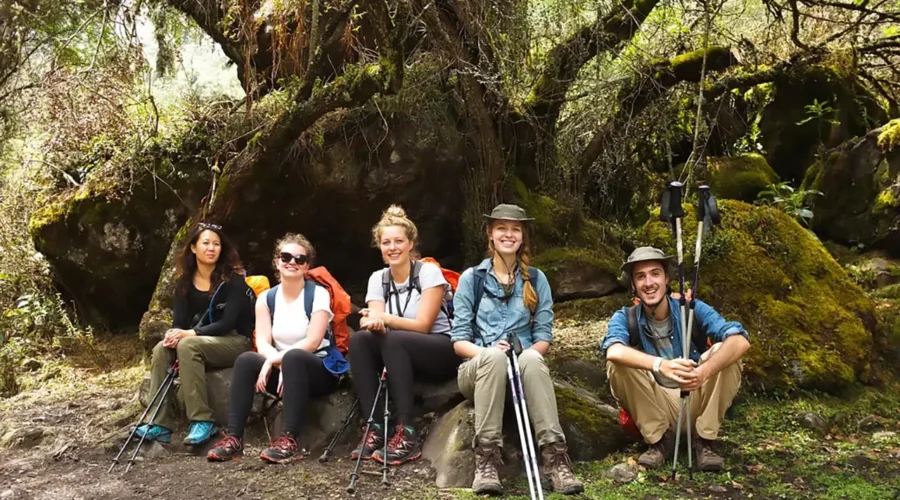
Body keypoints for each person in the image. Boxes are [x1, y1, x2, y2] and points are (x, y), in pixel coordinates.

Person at [451, 204, 584, 496]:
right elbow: (459, 342)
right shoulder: (471, 279)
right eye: (502, 228)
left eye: (515, 229)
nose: (508, 235)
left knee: (533, 357)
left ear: (523, 236)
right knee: (496, 357)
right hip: (478, 370)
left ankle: (556, 458)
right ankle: (486, 461)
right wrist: (488, 353)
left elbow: (544, 338)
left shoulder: (536, 279)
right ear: (490, 234)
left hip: (522, 368)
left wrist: (523, 354)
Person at [601, 246, 750, 472]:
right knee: (618, 362)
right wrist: (661, 365)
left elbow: (740, 340)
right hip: (659, 405)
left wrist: (703, 372)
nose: (649, 282)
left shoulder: (692, 309)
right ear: (633, 285)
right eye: (640, 277)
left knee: (724, 349)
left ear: (667, 278)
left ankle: (704, 440)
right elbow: (613, 350)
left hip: (696, 395)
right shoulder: (626, 317)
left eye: (655, 273)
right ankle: (660, 441)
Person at [207, 233, 342, 463]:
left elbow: (313, 340)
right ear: (277, 262)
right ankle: (234, 438)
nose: (292, 262)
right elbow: (262, 342)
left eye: (300, 259)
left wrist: (279, 360)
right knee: (246, 360)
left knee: (295, 358)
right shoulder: (266, 299)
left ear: (307, 266)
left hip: (317, 369)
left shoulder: (317, 294)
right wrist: (273, 360)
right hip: (283, 369)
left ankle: (288, 440)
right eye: (286, 256)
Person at [348, 205, 461, 465]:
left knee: (394, 338)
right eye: (386, 242)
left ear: (411, 243)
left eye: (399, 241)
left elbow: (423, 325)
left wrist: (384, 319)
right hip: (398, 351)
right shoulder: (378, 278)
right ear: (379, 247)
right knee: (360, 340)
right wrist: (374, 323)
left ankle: (406, 431)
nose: (393, 247)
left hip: (440, 349)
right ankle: (375, 427)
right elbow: (378, 322)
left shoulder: (428, 272)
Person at [137, 222, 254, 446]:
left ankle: (202, 420)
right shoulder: (183, 283)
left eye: (217, 244)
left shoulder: (233, 280)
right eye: (206, 243)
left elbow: (228, 322)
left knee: (188, 345)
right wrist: (173, 334)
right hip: (202, 339)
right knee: (161, 349)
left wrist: (190, 333)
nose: (211, 248)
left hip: (235, 340)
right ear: (193, 248)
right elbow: (179, 323)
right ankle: (159, 423)